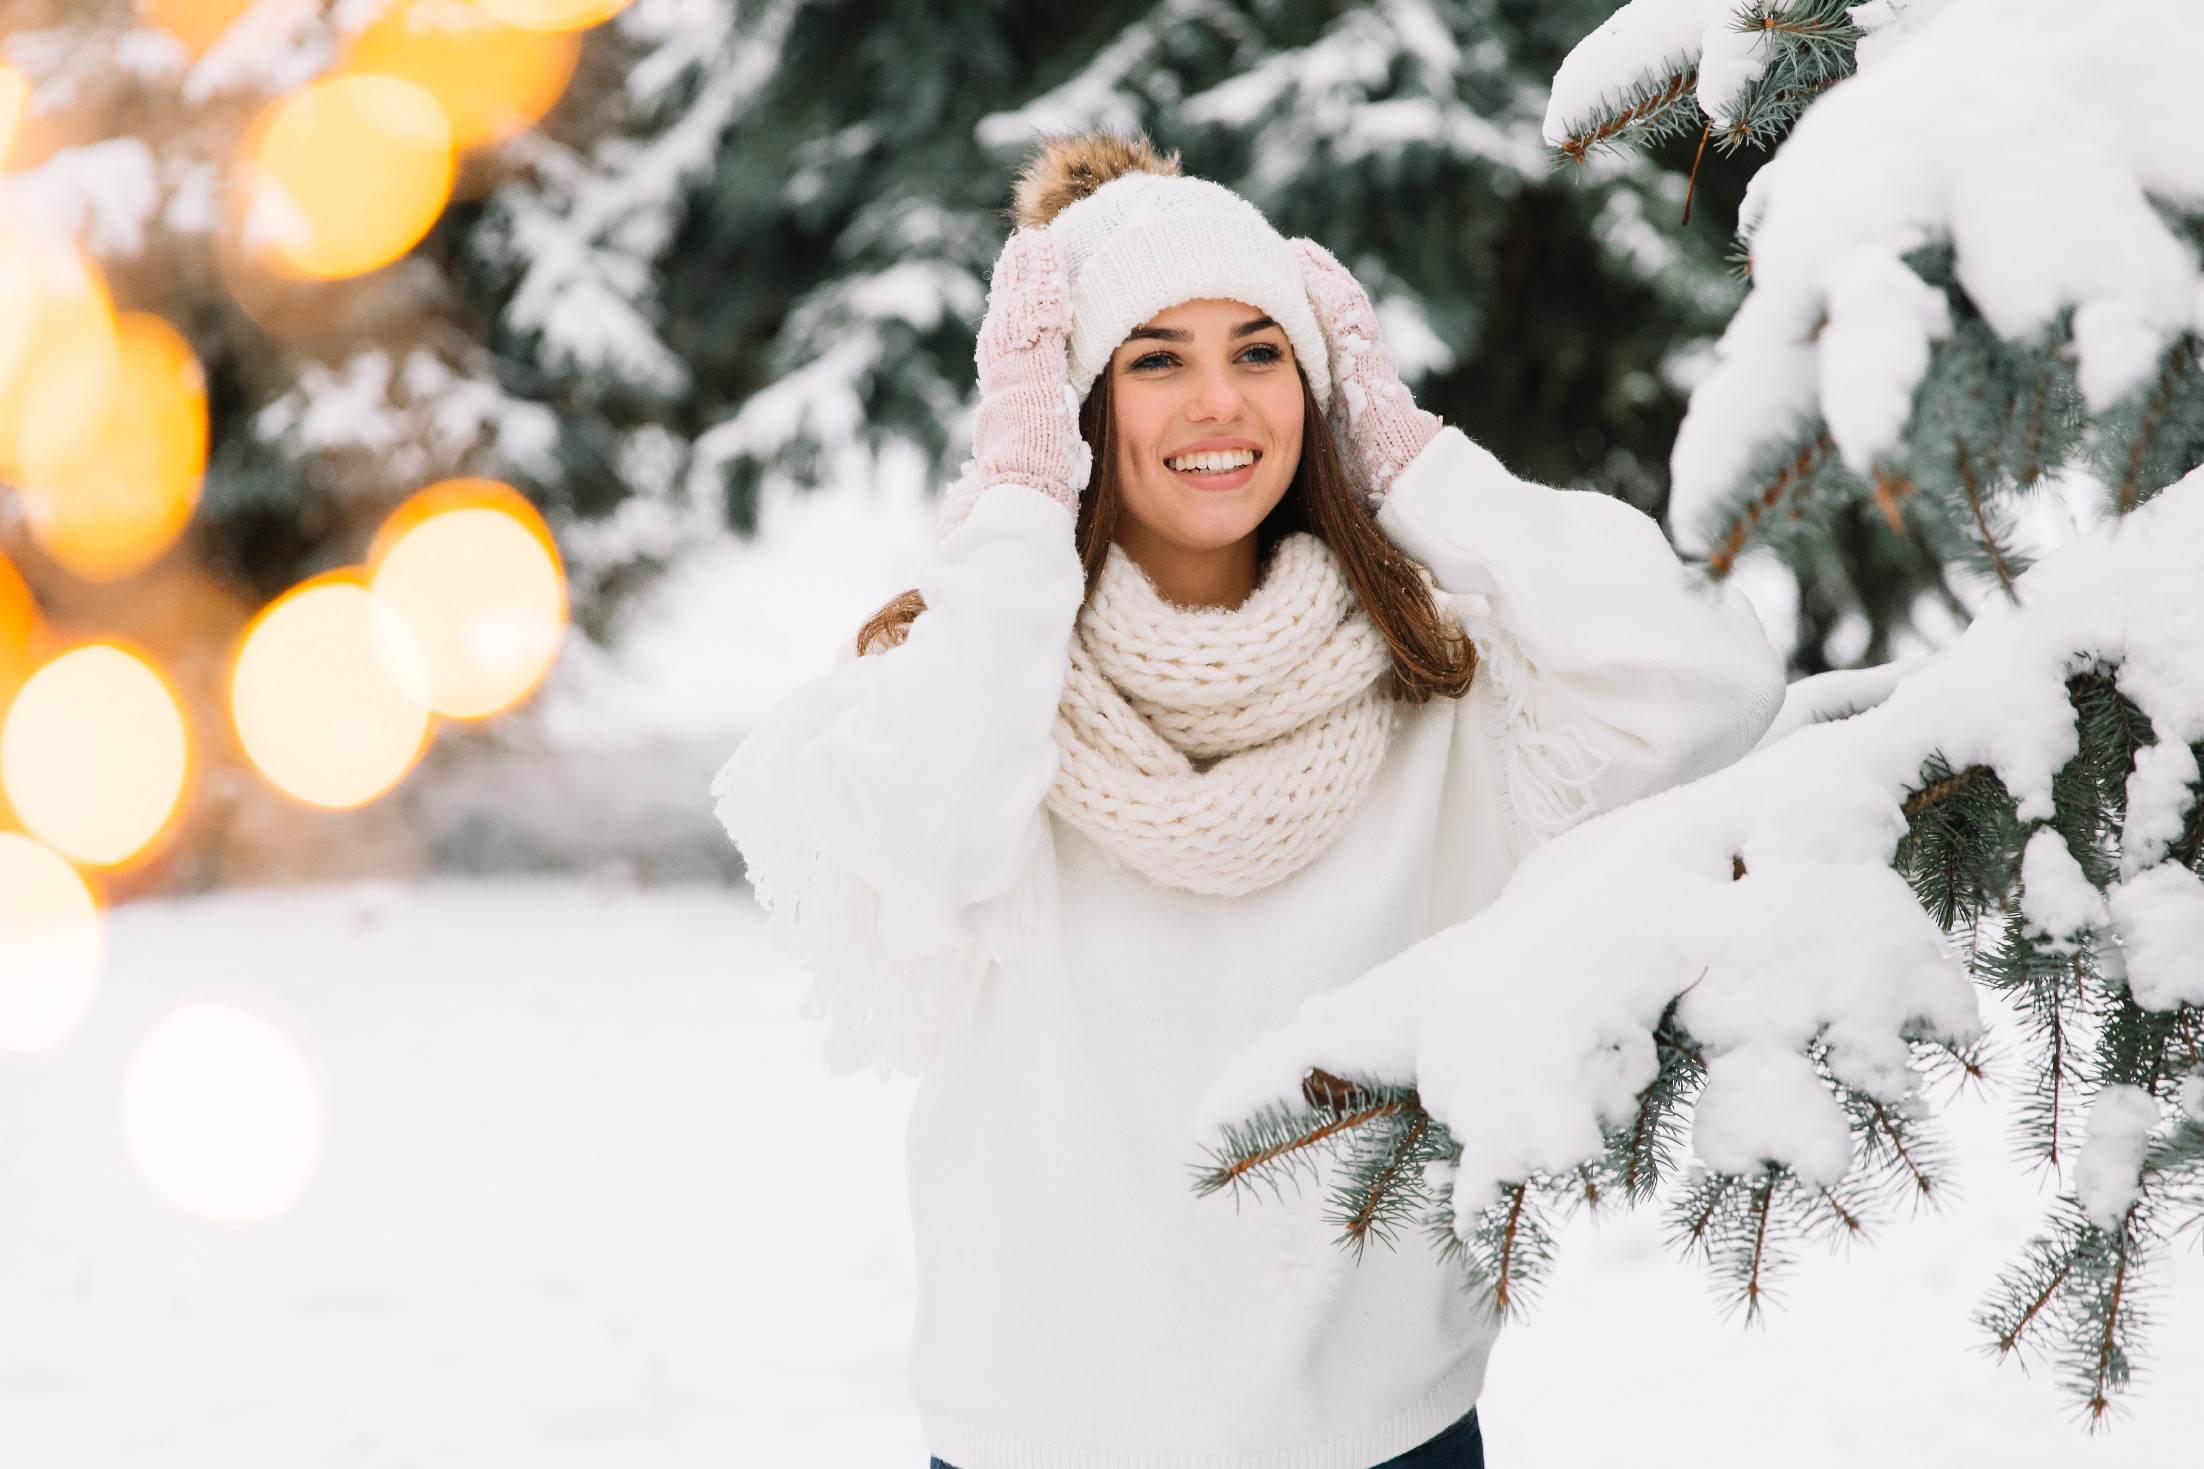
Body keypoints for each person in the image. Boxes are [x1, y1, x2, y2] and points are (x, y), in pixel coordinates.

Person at [715, 134, 1785, 1469]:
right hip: (1039, 1445)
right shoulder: (967, 684)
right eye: (1155, 357)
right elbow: (931, 842)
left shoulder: (1441, 675)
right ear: (1076, 402)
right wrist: (1018, 498)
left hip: (1380, 1437)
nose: (1218, 401)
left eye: (1260, 350)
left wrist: (1414, 461)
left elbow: (1716, 680)